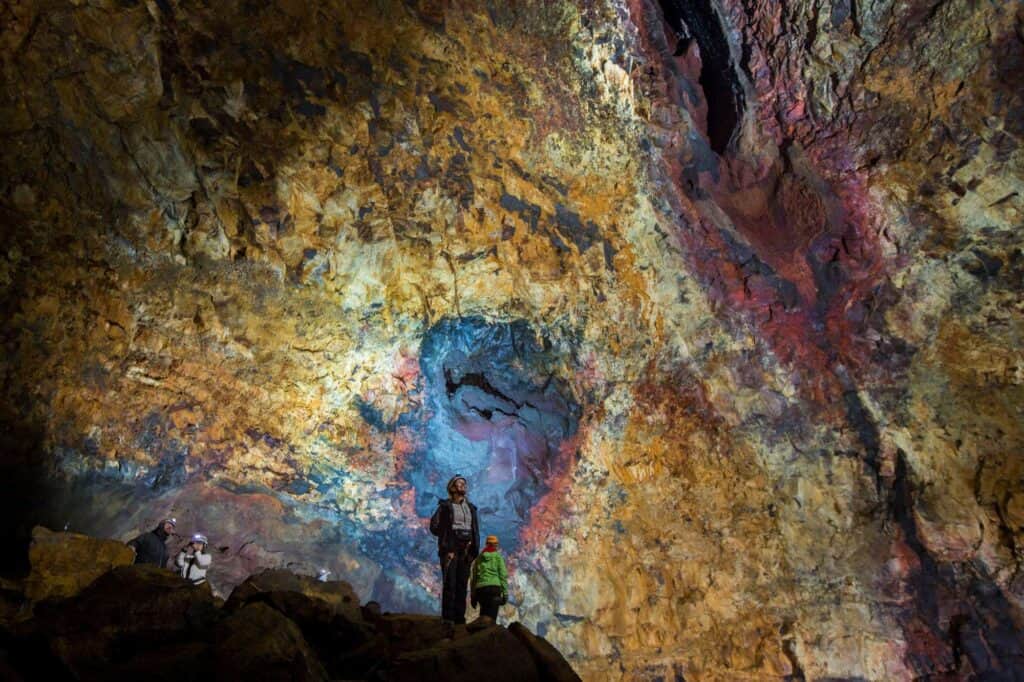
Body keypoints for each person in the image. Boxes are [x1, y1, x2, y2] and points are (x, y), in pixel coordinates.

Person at [429, 474, 480, 624]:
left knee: (462, 585)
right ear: (452, 487)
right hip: (450, 550)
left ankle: (459, 619)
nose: (463, 485)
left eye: (464, 483)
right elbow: (434, 526)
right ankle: (448, 618)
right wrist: (447, 540)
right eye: (459, 483)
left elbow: (474, 529)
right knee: (450, 584)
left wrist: (473, 549)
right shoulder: (445, 506)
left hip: (466, 551)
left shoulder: (471, 508)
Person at [470, 534, 508, 626]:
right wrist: (505, 594)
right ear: (496, 545)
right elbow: (503, 576)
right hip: (494, 589)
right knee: (491, 620)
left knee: (483, 615)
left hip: (481, 590)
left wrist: (473, 596)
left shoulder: (479, 558)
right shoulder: (498, 557)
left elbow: (473, 578)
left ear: (486, 544)